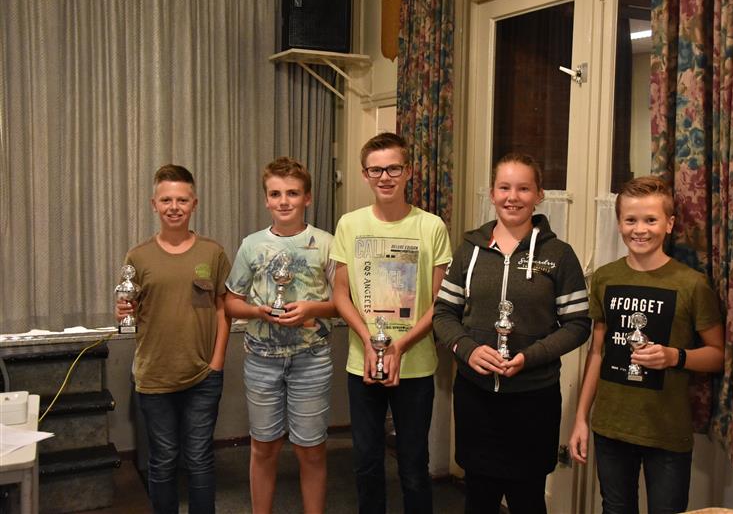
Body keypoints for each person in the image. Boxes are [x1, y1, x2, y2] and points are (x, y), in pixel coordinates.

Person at [433, 152, 591, 514]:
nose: (512, 197)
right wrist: (467, 349)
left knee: (528, 500)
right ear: (492, 193)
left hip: (534, 399)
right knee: (479, 498)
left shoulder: (559, 255)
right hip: (476, 396)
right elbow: (443, 313)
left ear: (539, 195)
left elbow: (578, 324)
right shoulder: (469, 251)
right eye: (504, 188)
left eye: (523, 188)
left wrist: (530, 356)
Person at [568, 175, 724, 514]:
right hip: (611, 425)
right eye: (631, 220)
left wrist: (674, 356)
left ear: (669, 224)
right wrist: (580, 418)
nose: (640, 229)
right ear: (619, 224)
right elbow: (597, 352)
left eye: (651, 220)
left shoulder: (692, 284)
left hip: (666, 429)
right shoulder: (605, 277)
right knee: (615, 508)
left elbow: (717, 355)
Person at [330, 132, 452, 514]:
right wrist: (369, 341)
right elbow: (339, 293)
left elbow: (440, 303)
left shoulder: (431, 226)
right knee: (366, 463)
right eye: (376, 170)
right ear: (364, 174)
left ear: (408, 171)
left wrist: (399, 346)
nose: (385, 177)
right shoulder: (349, 224)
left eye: (393, 168)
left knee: (414, 466)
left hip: (415, 365)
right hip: (363, 362)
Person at [116, 164, 231, 514]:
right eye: (166, 200)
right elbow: (128, 309)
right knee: (163, 460)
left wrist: (217, 363)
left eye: (182, 200)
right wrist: (121, 312)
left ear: (194, 203)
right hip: (154, 376)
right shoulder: (138, 257)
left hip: (203, 375)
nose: (174, 207)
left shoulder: (212, 253)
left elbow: (223, 310)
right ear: (154, 204)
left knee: (199, 458)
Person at [224, 157, 337, 514]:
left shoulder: (326, 243)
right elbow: (231, 302)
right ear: (266, 200)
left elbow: (343, 303)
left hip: (311, 359)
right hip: (261, 360)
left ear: (308, 198)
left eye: (292, 193)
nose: (284, 201)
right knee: (263, 447)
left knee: (311, 449)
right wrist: (259, 311)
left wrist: (311, 309)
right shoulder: (251, 245)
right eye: (275, 194)